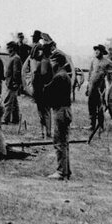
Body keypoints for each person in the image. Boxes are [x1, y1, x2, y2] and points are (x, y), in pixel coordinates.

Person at [45, 49, 74, 180]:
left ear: (56, 62)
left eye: (52, 61)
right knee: (65, 142)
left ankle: (61, 172)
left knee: (59, 142)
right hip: (66, 110)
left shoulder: (58, 77)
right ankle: (66, 170)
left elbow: (48, 92)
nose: (50, 64)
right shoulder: (65, 75)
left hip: (60, 111)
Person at [85, 45, 112, 138]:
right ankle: (92, 125)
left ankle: (101, 126)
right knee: (91, 105)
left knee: (100, 107)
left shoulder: (107, 61)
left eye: (98, 51)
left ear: (102, 52)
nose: (96, 52)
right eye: (95, 51)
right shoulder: (93, 60)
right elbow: (90, 73)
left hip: (100, 88)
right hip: (91, 87)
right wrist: (87, 87)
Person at [2, 41, 23, 125]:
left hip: (12, 84)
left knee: (8, 101)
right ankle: (15, 119)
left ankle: (5, 119)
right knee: (14, 102)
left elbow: (16, 72)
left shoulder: (16, 58)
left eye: (8, 47)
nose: (7, 49)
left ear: (12, 48)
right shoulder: (13, 57)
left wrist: (15, 83)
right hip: (10, 82)